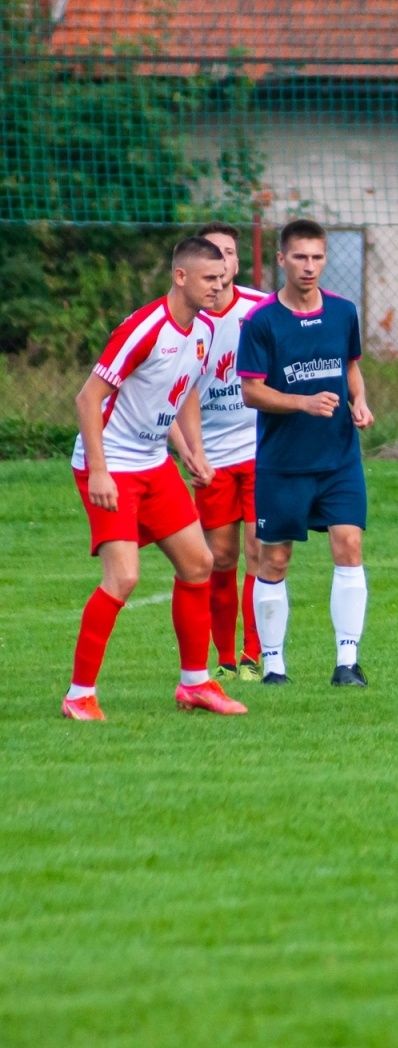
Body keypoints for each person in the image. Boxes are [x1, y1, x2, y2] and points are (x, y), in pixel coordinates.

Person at [62, 237, 248, 721]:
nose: (219, 286)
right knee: (123, 577)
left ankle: (196, 685)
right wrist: (99, 470)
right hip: (113, 463)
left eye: (223, 277)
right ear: (181, 277)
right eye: (210, 279)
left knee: (198, 564)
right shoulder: (143, 329)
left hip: (151, 461)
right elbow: (87, 399)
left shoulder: (204, 329)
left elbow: (183, 388)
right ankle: (78, 695)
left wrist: (192, 451)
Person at [238, 218, 374, 687]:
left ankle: (347, 662)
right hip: (283, 463)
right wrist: (303, 402)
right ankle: (274, 664)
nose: (309, 266)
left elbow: (350, 366)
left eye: (317, 257)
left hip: (338, 458)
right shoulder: (261, 322)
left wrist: (359, 400)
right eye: (300, 257)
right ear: (282, 260)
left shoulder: (343, 312)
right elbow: (252, 392)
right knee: (274, 559)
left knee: (349, 545)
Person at [186, 222, 271, 682]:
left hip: (263, 452)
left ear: (236, 263)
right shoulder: (186, 319)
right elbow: (181, 394)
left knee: (260, 549)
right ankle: (224, 656)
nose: (222, 261)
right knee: (220, 557)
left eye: (229, 253)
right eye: (213, 253)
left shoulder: (262, 310)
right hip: (212, 459)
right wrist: (193, 452)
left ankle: (255, 655)